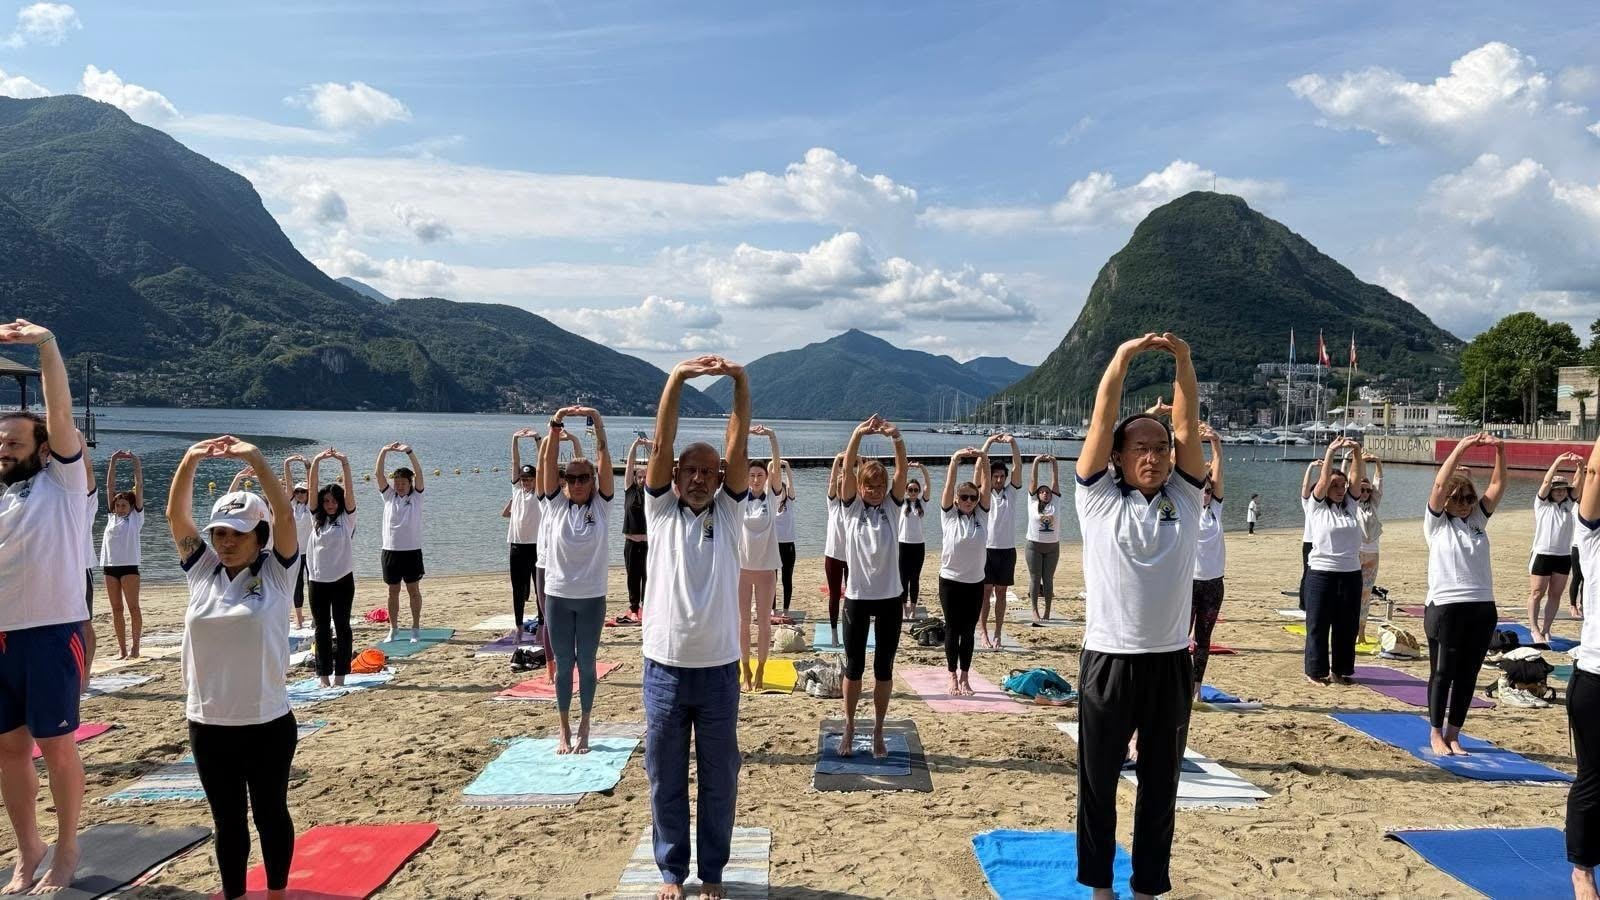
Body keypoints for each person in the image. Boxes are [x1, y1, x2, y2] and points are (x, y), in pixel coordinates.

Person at [1072, 332, 1207, 900]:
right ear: (1119, 458)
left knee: (1160, 786)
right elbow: (1102, 419)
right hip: (1108, 659)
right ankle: (1101, 889)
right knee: (1097, 784)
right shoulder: (1098, 499)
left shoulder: (1187, 497)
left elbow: (1187, 424)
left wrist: (1184, 361)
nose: (1152, 457)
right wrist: (1122, 358)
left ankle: (1148, 887)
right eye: (1139, 449)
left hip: (1169, 662)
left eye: (1160, 448)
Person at [168, 436, 299, 900]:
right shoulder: (202, 571)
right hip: (208, 722)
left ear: (259, 536)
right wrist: (190, 458)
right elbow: (176, 516)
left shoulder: (278, 573)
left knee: (269, 814)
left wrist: (256, 460)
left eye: (237, 533)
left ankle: (277, 894)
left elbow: (285, 517)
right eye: (220, 533)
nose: (225, 542)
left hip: (266, 722)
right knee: (227, 821)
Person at [641, 355, 750, 900]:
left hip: (719, 670)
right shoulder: (661, 511)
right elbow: (662, 443)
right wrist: (677, 379)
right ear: (676, 476)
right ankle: (670, 871)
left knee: (718, 779)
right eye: (690, 471)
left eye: (708, 471)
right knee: (664, 777)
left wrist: (740, 382)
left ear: (721, 478)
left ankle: (711, 873)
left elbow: (738, 442)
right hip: (663, 668)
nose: (699, 478)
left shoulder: (728, 513)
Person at [0, 318, 89, 894]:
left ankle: (68, 846)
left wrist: (46, 345)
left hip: (51, 632)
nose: (3, 450)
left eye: (13, 443)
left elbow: (60, 412)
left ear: (42, 449)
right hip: (1, 637)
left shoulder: (62, 483)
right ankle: (28, 845)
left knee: (57, 747)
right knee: (8, 750)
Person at [1423, 433, 1506, 756]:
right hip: (1446, 606)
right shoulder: (1436, 525)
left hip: (1482, 606)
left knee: (1468, 674)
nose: (1464, 504)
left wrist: (1500, 450)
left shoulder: (1477, 521)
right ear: (1446, 501)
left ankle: (1454, 734)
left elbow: (1497, 486)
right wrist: (1460, 448)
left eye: (1469, 498)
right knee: (1443, 673)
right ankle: (1435, 733)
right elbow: (1439, 485)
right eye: (1457, 499)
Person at [541, 405, 614, 755]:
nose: (578, 483)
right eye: (572, 478)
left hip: (591, 597)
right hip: (557, 594)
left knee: (586, 662)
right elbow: (547, 462)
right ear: (565, 482)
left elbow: (603, 457)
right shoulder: (556, 505)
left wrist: (597, 422)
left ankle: (585, 724)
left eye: (584, 478)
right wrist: (556, 422)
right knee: (563, 665)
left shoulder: (601, 507)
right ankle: (563, 727)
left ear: (593, 481)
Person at [836, 415, 910, 758]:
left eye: (880, 487)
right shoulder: (851, 508)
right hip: (857, 597)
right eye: (870, 487)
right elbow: (848, 467)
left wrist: (897, 438)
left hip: (890, 598)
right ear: (861, 486)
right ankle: (850, 726)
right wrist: (857, 433)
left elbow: (902, 471)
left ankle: (879, 728)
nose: (876, 492)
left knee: (883, 668)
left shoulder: (893, 508)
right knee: (854, 667)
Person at [1303, 438, 1366, 686]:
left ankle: (1341, 671)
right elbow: (1322, 480)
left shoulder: (1349, 507)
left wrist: (1357, 452)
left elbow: (1357, 478)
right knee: (1318, 625)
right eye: (1334, 486)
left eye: (1342, 485)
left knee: (1346, 626)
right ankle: (1315, 671)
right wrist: (1331, 451)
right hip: (1321, 573)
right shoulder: (1316, 507)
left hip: (1351, 573)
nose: (1340, 490)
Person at [1569, 432, 1600, 900]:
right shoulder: (1592, 537)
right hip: (1596, 675)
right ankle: (1582, 871)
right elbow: (1595, 471)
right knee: (1594, 779)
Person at [938, 446, 990, 695]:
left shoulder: (982, 516)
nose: (969, 501)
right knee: (952, 628)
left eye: (973, 498)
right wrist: (955, 460)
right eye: (964, 497)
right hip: (950, 580)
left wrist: (984, 458)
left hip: (975, 582)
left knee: (968, 631)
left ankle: (965, 676)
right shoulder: (949, 516)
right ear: (957, 500)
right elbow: (949, 486)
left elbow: (986, 486)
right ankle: (951, 675)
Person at [307, 449, 357, 688]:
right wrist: (316, 461)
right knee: (322, 628)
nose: (330, 504)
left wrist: (344, 463)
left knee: (342, 626)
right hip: (317, 581)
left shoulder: (347, 520)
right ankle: (323, 676)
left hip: (342, 580)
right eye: (326, 501)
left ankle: (340, 676)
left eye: (334, 501)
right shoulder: (315, 518)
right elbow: (312, 488)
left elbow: (349, 491)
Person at [737, 425, 782, 691]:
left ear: (766, 478)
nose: (755, 479)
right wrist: (744, 437)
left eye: (760, 475)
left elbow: (776, 461)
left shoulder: (772, 498)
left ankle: (762, 669)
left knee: (764, 623)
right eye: (752, 475)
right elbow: (736, 460)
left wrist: (771, 437)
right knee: (743, 623)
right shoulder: (739, 499)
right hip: (741, 569)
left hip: (766, 570)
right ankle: (745, 670)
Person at [1530, 453, 1585, 647]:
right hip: (1542, 554)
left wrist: (1580, 467)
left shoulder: (1569, 504)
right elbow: (1546, 481)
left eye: (1563, 489)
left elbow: (1578, 484)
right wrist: (1558, 461)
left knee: (1555, 595)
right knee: (1537, 593)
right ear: (1551, 491)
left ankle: (1546, 629)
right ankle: (1534, 628)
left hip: (1563, 556)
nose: (1560, 492)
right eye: (1556, 489)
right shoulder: (1542, 504)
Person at [374, 442, 426, 642]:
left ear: (409, 483)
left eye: (403, 482)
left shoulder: (417, 496)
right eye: (397, 482)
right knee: (392, 591)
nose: (399, 486)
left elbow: (419, 473)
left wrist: (409, 452)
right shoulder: (389, 496)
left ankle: (415, 628)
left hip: (411, 551)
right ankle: (393, 628)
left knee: (413, 590)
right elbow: (378, 474)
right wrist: (384, 451)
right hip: (390, 550)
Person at [1190, 425, 1226, 698]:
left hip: (1213, 584)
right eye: (1202, 489)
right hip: (1187, 582)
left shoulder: (1215, 510)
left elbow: (1218, 470)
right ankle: (1177, 681)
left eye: (1209, 490)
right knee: (1178, 637)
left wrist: (1215, 442)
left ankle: (1196, 685)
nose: (1206, 493)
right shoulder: (1186, 509)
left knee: (1203, 638)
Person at [979, 432, 1023, 649]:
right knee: (985, 593)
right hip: (987, 549)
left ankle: (997, 632)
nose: (998, 480)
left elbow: (1018, 466)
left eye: (1001, 476)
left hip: (1007, 550)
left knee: (1001, 593)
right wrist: (988, 442)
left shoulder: (1010, 493)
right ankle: (983, 631)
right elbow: (980, 466)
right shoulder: (983, 493)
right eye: (995, 476)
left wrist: (1013, 442)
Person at [102, 449, 145, 659]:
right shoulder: (111, 517)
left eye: (123, 505)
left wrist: (135, 461)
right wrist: (113, 460)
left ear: (131, 506)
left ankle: (135, 648)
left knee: (133, 608)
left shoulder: (136, 517)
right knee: (116, 609)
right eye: (117, 505)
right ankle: (122, 649)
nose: (120, 508)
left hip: (129, 566)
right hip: (109, 567)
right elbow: (109, 486)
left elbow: (139, 485)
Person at [502, 428, 542, 641]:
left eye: (529, 479)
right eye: (523, 479)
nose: (525, 482)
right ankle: (518, 626)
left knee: (539, 589)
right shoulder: (517, 490)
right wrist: (515, 439)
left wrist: (537, 439)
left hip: (536, 546)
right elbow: (514, 462)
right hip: (516, 546)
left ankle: (542, 626)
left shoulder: (540, 493)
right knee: (517, 589)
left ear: (535, 479)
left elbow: (543, 462)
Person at [1352, 452, 1385, 645]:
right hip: (1355, 553)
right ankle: (1347, 627)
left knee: (1365, 595)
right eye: (1361, 489)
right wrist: (1358, 461)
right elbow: (1352, 479)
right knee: (1350, 593)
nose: (1364, 493)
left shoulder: (1373, 504)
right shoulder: (1352, 504)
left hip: (1372, 554)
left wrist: (1378, 462)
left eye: (1367, 490)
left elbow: (1379, 483)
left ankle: (1361, 632)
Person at [1025, 453, 1062, 623]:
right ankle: (1034, 611)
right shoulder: (1032, 502)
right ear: (1038, 494)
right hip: (1034, 546)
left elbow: (1055, 481)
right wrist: (1036, 461)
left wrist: (1054, 462)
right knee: (1035, 578)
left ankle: (1047, 610)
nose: (1045, 493)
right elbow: (1033, 480)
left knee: (1048, 580)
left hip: (1052, 547)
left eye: (1047, 492)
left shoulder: (1056, 503)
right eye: (1042, 492)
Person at [622, 435, 651, 623]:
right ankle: (634, 608)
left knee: (648, 577)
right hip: (631, 543)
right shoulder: (630, 490)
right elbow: (629, 465)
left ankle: (647, 606)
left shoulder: (652, 493)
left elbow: (657, 465)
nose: (642, 479)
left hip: (649, 543)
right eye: (639, 477)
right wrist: (634, 445)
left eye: (645, 477)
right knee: (633, 577)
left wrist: (649, 446)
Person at [283, 455, 313, 631]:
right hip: (295, 552)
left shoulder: (311, 506)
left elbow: (312, 485)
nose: (300, 494)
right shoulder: (293, 505)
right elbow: (289, 485)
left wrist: (308, 467)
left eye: (303, 491)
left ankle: (316, 616)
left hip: (311, 551)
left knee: (313, 584)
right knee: (297, 585)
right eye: (297, 492)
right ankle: (299, 616)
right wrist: (287, 464)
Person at [897, 461, 930, 620]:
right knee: (903, 579)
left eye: (916, 490)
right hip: (903, 544)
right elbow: (897, 482)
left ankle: (913, 609)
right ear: (906, 491)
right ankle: (904, 609)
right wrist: (905, 469)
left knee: (915, 578)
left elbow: (928, 485)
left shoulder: (922, 503)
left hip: (918, 546)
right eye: (910, 489)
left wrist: (922, 468)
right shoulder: (901, 503)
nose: (913, 492)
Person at [822, 452, 847, 646]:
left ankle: (849, 629)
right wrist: (837, 460)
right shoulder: (833, 505)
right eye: (839, 487)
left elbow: (859, 479)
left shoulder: (854, 504)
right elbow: (831, 482)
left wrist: (860, 462)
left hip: (852, 557)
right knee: (834, 595)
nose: (840, 489)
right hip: (833, 555)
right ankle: (833, 632)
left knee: (853, 596)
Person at [1296, 459, 1322, 609]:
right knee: (1308, 572)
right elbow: (1305, 486)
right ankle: (1303, 604)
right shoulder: (1308, 504)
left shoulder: (1325, 505)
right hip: (1309, 542)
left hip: (1322, 542)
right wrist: (1311, 466)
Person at [774, 460, 797, 613]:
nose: (780, 493)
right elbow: (769, 483)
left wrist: (787, 467)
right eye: (778, 491)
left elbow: (790, 484)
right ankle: (772, 609)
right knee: (772, 579)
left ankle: (786, 609)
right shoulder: (770, 503)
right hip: (773, 546)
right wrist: (772, 466)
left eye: (783, 490)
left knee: (786, 579)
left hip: (788, 546)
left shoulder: (789, 502)